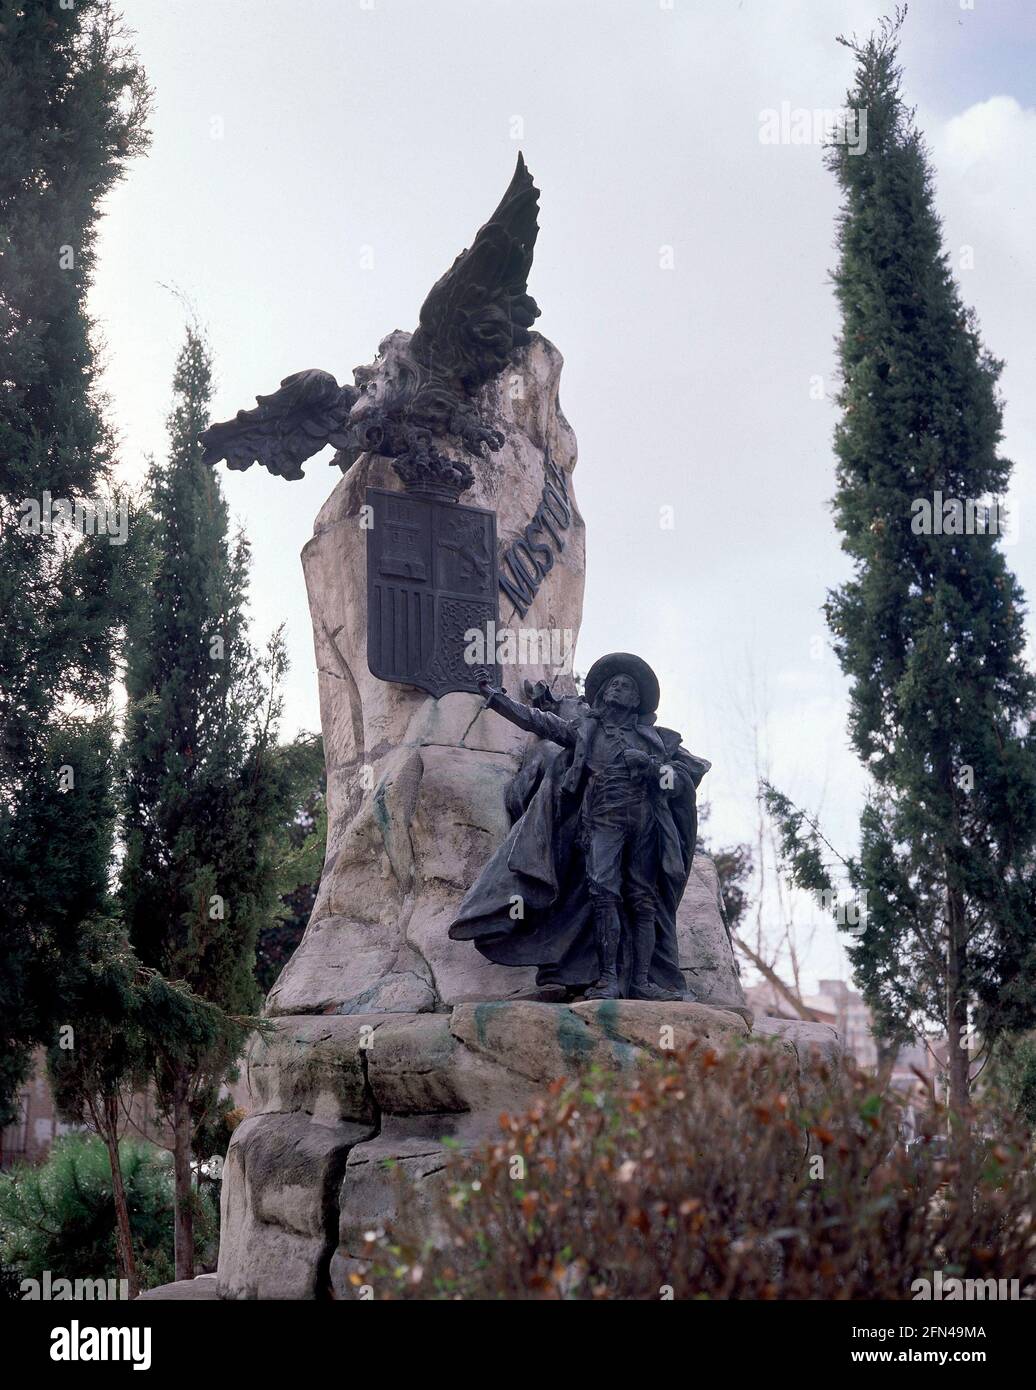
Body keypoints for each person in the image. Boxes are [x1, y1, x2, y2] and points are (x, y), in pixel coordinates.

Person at [448, 652, 710, 1001]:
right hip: (602, 821)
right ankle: (606, 978)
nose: (619, 688)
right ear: (602, 694)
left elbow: (679, 781)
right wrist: (494, 697)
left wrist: (650, 767)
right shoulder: (586, 729)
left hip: (645, 824)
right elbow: (537, 721)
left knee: (643, 902)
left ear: (637, 701)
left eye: (628, 686)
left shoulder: (656, 740)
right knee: (603, 895)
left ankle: (643, 982)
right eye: (613, 683)